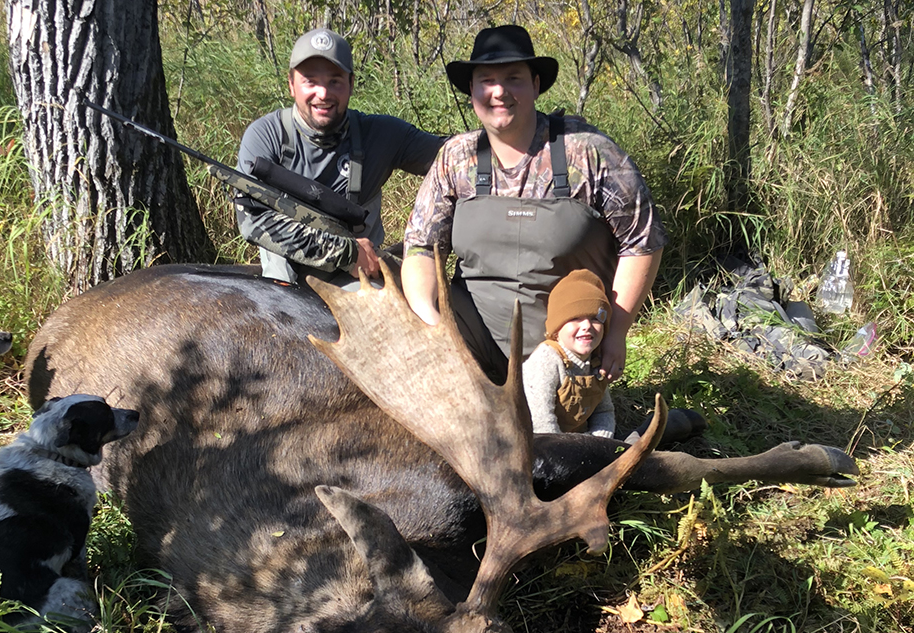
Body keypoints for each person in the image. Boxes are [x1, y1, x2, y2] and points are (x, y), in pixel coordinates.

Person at [402, 24, 667, 383]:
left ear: (536, 85)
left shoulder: (588, 152)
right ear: (471, 90)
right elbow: (420, 247)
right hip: (471, 351)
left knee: (554, 437)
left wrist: (617, 331)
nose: (499, 92)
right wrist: (430, 325)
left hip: (568, 354)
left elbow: (642, 242)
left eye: (514, 78)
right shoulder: (456, 157)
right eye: (486, 80)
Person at [236, 28, 445, 288]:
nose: (323, 94)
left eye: (335, 81)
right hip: (284, 280)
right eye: (310, 81)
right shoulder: (265, 135)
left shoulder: (382, 135)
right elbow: (252, 221)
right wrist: (344, 253)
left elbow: (453, 157)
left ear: (351, 84)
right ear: (291, 84)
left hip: (358, 280)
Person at [522, 269, 615, 437]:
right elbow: (541, 420)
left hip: (580, 443)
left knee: (632, 447)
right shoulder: (547, 359)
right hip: (541, 444)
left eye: (595, 318)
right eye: (575, 318)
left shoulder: (595, 362)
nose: (587, 325)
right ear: (557, 329)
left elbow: (604, 412)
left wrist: (600, 444)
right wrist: (567, 453)